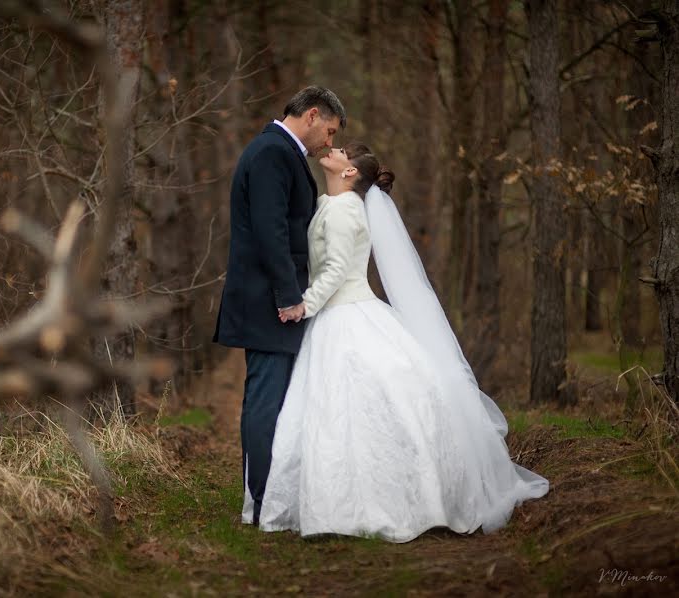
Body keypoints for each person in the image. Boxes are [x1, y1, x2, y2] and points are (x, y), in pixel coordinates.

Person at [259, 143, 549, 540]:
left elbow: (339, 269)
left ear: (349, 174)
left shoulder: (345, 209)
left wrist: (302, 306)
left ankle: (370, 504)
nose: (333, 149)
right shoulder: (330, 203)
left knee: (349, 407)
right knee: (336, 411)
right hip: (338, 315)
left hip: (344, 313)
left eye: (341, 152)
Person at [213, 86, 347, 526]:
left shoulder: (277, 151)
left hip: (269, 297)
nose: (329, 142)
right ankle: (264, 499)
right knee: (266, 399)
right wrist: (290, 298)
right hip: (269, 300)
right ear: (311, 116)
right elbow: (270, 232)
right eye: (328, 131)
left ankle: (266, 497)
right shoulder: (273, 153)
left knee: (268, 397)